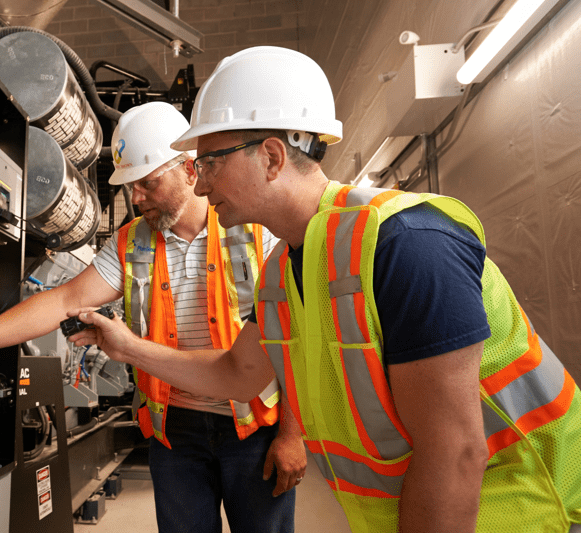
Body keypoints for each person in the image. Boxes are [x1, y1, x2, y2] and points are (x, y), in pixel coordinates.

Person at [67, 47, 581, 533]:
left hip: (531, 512)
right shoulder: (284, 270)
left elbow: (455, 453)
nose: (199, 186)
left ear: (270, 157)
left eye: (209, 164)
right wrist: (124, 345)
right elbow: (237, 373)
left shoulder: (407, 246)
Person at [0, 101, 304, 533]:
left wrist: (293, 433)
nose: (136, 198)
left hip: (254, 427)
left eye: (148, 183)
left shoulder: (256, 230)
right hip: (173, 431)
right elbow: (61, 300)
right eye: (131, 187)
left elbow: (290, 340)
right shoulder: (131, 242)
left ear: (189, 169)